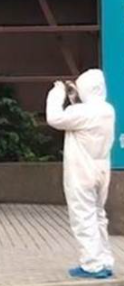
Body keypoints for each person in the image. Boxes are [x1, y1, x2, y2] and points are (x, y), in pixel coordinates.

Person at [46, 69, 115, 279]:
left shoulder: (83, 113)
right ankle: (104, 260)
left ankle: (92, 265)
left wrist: (57, 93)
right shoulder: (107, 110)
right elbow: (80, 116)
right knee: (98, 215)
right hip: (102, 169)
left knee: (83, 217)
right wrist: (75, 99)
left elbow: (55, 118)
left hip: (81, 172)